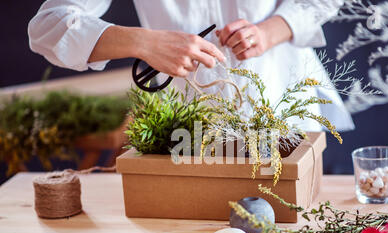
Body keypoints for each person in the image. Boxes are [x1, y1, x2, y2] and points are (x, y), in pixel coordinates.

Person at [28, 0, 354, 131]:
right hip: (184, 126)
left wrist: (270, 31)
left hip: (285, 112)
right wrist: (145, 43)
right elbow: (48, 28)